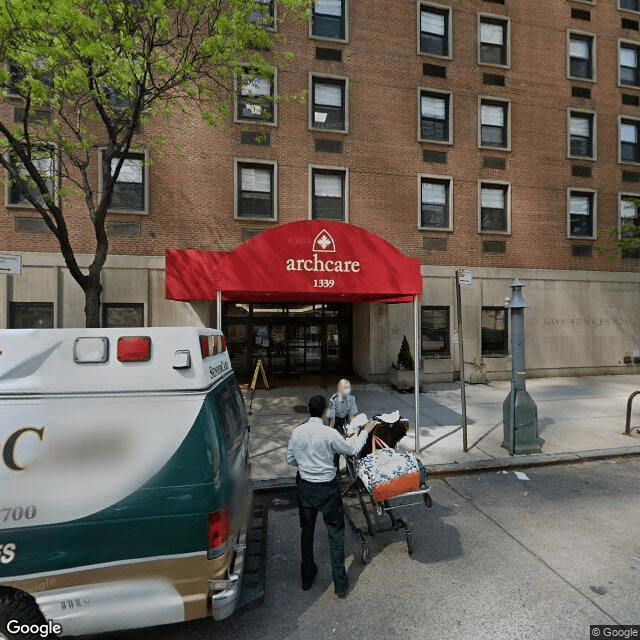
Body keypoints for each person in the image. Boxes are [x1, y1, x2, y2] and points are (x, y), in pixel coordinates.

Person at [286, 395, 376, 598]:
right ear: (327, 412)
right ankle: (340, 585)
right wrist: (364, 432)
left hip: (306, 488)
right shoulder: (329, 433)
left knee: (306, 532)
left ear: (309, 410)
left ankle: (307, 578)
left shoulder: (297, 432)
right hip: (327, 489)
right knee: (335, 535)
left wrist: (307, 464)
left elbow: (290, 459)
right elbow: (352, 449)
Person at [328, 379, 358, 472]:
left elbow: (351, 416)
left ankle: (350, 472)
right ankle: (335, 472)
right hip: (335, 422)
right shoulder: (333, 400)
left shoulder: (352, 398)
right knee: (335, 450)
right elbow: (331, 421)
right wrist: (331, 434)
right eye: (344, 388)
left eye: (348, 388)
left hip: (345, 422)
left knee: (349, 447)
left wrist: (353, 430)